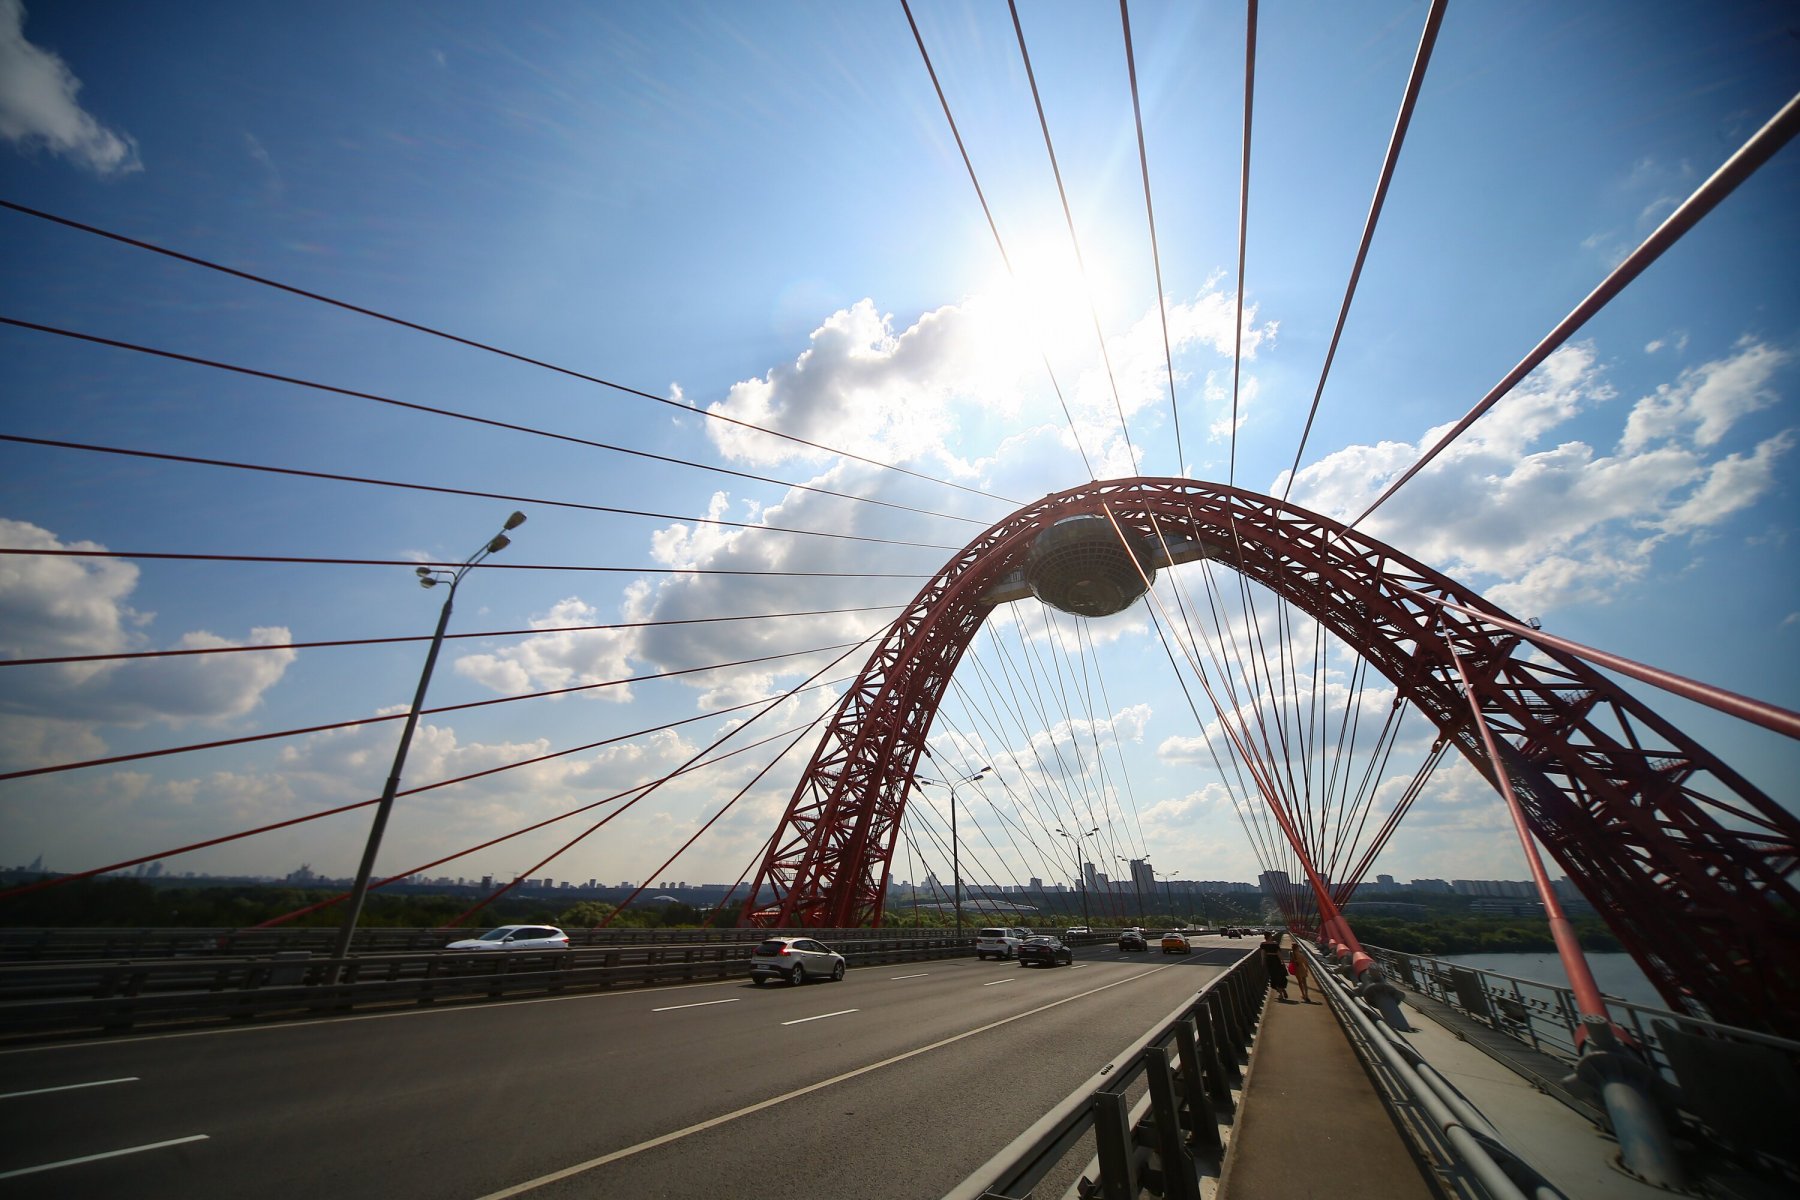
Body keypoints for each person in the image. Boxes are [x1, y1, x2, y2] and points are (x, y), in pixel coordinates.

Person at [1259, 935, 1290, 1001]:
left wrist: (1262, 962)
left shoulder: (1263, 944)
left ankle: (1280, 994)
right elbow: (1279, 953)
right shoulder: (1275, 944)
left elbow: (1262, 954)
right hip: (1276, 961)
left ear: (1265, 937)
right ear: (1270, 937)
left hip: (1269, 961)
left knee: (1273, 977)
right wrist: (1283, 961)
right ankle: (1282, 990)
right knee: (1279, 976)